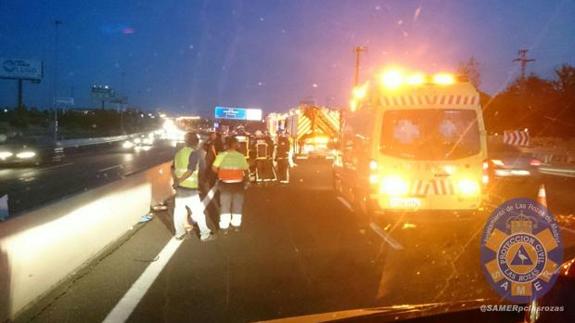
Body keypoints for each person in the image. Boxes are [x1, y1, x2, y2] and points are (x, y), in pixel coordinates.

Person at [171, 132, 213, 241]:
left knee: (178, 211)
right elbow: (190, 171)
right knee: (198, 212)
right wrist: (179, 181)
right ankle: (205, 234)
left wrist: (176, 181)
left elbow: (172, 168)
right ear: (196, 142)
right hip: (189, 189)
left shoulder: (178, 153)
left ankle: (179, 234)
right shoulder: (193, 153)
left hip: (180, 188)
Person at [212, 136, 250, 232]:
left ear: (226, 145)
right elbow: (246, 170)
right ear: (235, 145)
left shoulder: (221, 155)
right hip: (238, 184)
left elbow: (214, 168)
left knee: (225, 205)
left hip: (225, 184)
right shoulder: (240, 156)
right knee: (237, 205)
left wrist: (221, 173)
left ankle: (224, 227)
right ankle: (236, 225)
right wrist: (247, 181)